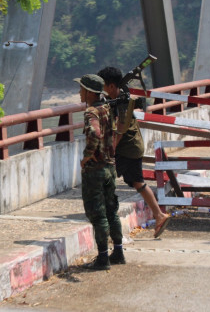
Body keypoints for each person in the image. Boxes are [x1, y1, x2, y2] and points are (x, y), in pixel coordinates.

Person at [97, 66, 170, 241]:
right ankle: (159, 215)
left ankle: (106, 218)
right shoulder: (119, 97)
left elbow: (120, 130)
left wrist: (110, 150)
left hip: (127, 149)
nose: (103, 90)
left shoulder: (123, 102)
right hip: (133, 147)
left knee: (105, 177)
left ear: (112, 86)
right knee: (137, 183)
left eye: (104, 86)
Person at [74, 73, 123, 270]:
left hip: (96, 170)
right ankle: (118, 252)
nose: (79, 93)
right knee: (112, 211)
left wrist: (87, 155)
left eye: (81, 89)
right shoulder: (107, 108)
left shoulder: (92, 112)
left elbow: (94, 133)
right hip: (110, 167)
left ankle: (103, 258)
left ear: (89, 92)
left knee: (98, 214)